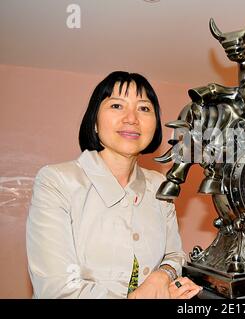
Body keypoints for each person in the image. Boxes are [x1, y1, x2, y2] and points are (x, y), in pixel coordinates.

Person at [26, 71, 202, 299]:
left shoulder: (160, 185)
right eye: (117, 106)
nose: (132, 118)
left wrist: (162, 278)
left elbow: (174, 254)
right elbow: (57, 288)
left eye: (144, 108)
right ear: (95, 122)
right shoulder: (56, 182)